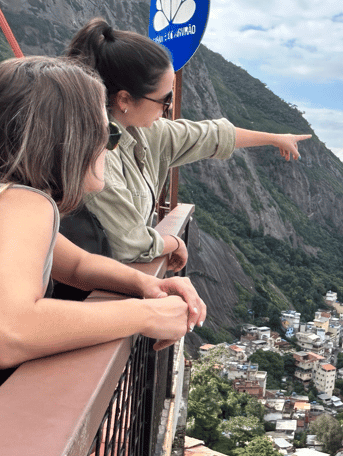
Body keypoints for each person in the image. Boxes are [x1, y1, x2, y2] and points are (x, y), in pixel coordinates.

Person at [0, 56, 206, 381]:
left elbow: (77, 265)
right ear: (70, 139)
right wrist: (146, 313)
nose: (112, 146)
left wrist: (149, 284)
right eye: (109, 132)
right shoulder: (22, 201)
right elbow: (10, 331)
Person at [63, 18, 312, 270]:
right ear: (125, 99)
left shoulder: (142, 131)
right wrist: (174, 243)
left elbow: (209, 135)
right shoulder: (96, 151)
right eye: (164, 100)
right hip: (84, 297)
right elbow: (132, 243)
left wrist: (275, 138)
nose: (167, 109)